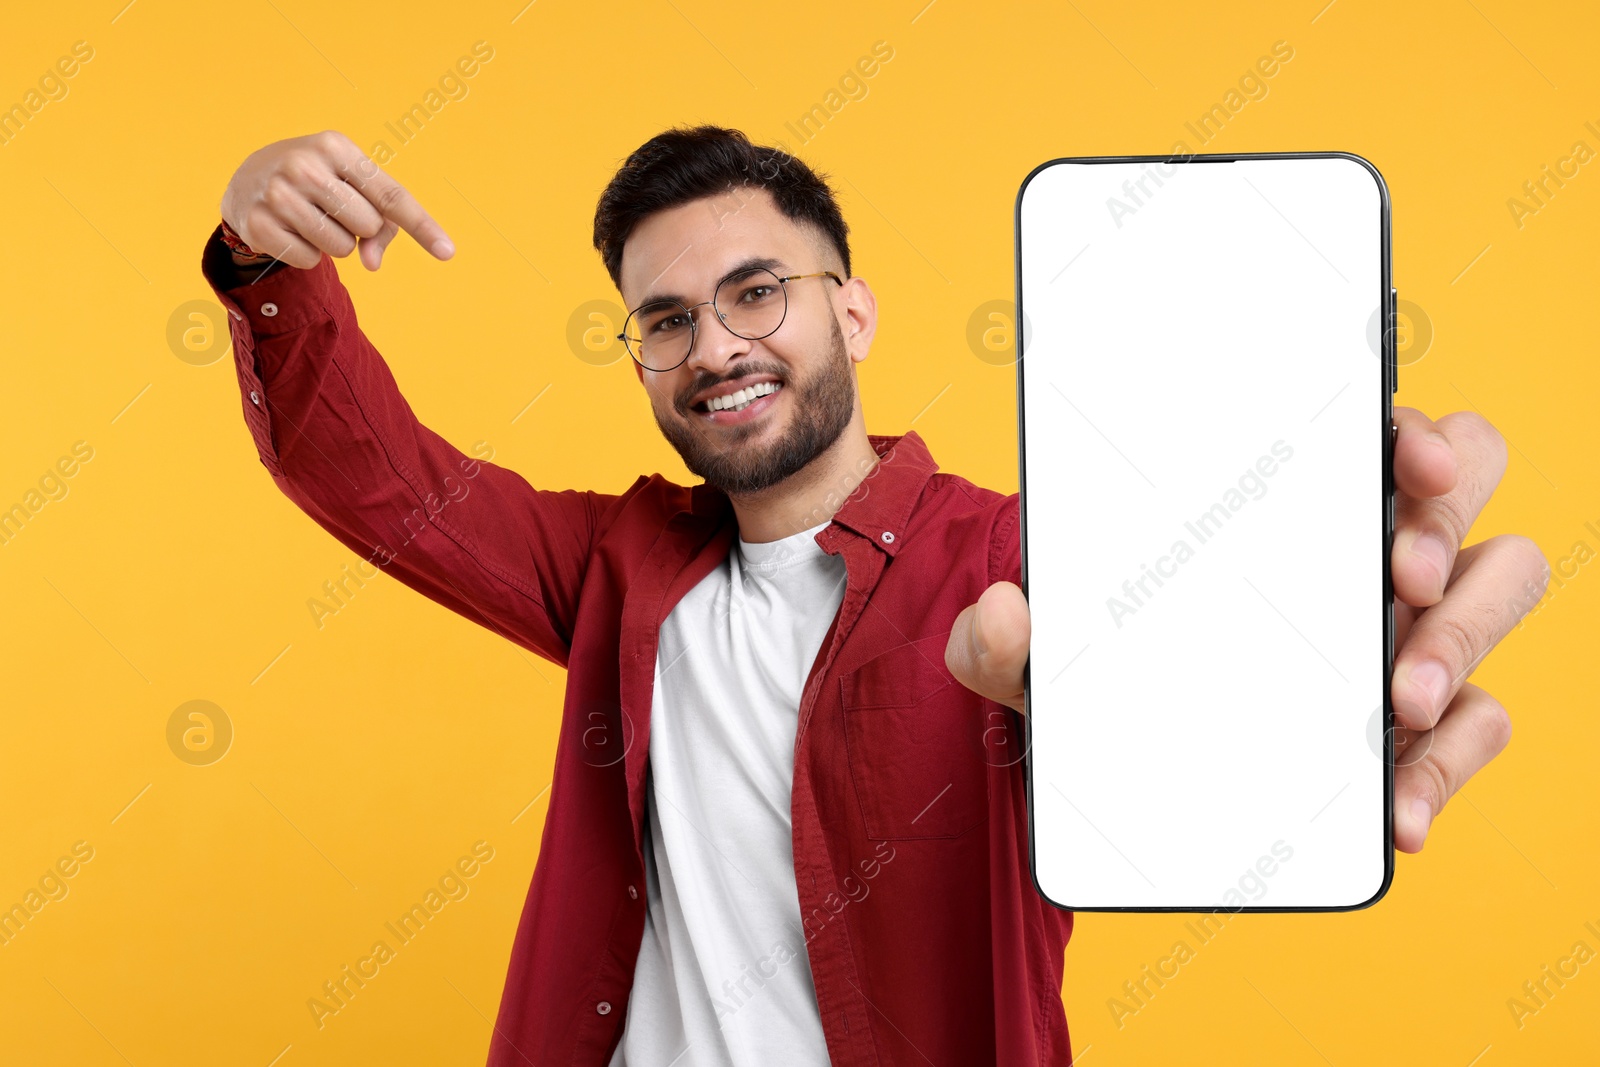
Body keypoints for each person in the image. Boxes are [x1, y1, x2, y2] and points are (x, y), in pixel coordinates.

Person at [203, 125, 1548, 1066]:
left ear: (851, 315)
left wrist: (1327, 621)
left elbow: (1202, 718)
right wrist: (265, 257)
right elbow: (376, 481)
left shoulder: (1027, 564)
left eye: (754, 293)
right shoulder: (614, 567)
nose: (713, 345)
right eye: (664, 319)